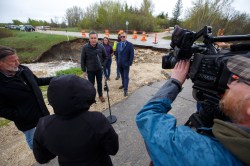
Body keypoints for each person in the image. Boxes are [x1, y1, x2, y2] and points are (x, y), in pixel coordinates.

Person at [136, 55, 250, 166]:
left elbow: (148, 116)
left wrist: (175, 81)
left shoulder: (203, 152)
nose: (229, 83)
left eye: (238, 80)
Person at [33, 74, 119, 166]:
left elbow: (42, 158)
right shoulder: (97, 120)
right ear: (85, 95)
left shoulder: (43, 125)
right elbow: (113, 149)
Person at [0, 45, 53, 149]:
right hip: (27, 122)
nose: (18, 63)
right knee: (35, 143)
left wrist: (58, 78)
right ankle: (41, 159)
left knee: (48, 136)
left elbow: (37, 82)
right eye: (13, 61)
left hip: (42, 112)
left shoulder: (23, 69)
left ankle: (51, 151)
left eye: (17, 59)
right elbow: (1, 109)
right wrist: (20, 115)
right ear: (1, 63)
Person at [81, 31, 107, 102]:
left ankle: (100, 96)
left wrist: (103, 65)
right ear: (89, 39)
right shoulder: (85, 47)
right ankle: (92, 97)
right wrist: (84, 70)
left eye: (95, 38)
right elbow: (82, 60)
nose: (93, 39)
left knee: (99, 83)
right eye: (91, 38)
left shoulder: (101, 46)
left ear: (97, 38)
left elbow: (105, 57)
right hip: (90, 70)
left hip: (99, 70)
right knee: (91, 85)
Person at [115, 32, 134, 96]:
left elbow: (132, 55)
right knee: (122, 76)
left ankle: (125, 89)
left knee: (126, 76)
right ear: (119, 37)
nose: (122, 38)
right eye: (121, 37)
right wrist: (117, 61)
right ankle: (123, 84)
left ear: (126, 37)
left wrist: (129, 63)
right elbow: (117, 54)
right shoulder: (118, 44)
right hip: (119, 64)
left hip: (126, 64)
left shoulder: (130, 45)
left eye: (124, 36)